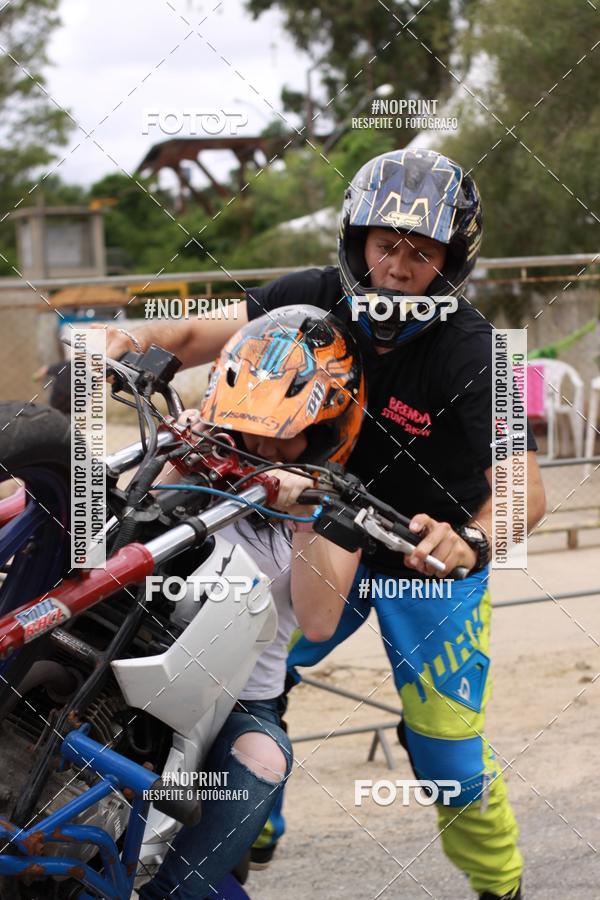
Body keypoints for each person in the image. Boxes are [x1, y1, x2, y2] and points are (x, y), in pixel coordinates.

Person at [107, 148, 547, 900]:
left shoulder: (478, 351)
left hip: (422, 558)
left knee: (446, 757)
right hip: (313, 533)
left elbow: (527, 489)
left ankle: (499, 883)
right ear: (356, 243)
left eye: (421, 250)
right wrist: (121, 344)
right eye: (385, 244)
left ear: (450, 261)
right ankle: (249, 828)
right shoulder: (307, 294)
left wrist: (472, 541)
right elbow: (189, 337)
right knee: (244, 682)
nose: (399, 267)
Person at [137, 305, 364, 900]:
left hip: (237, 703)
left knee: (263, 757)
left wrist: (305, 516)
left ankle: (172, 889)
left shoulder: (335, 509)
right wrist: (177, 453)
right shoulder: (201, 455)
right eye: (250, 422)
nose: (263, 442)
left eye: (282, 430)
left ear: (325, 429)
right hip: (137, 660)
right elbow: (125, 537)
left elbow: (317, 622)